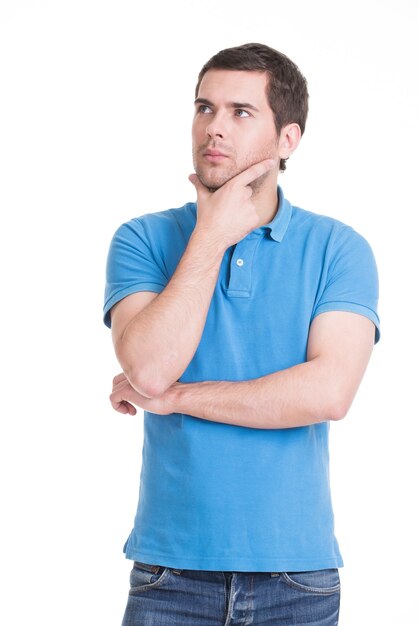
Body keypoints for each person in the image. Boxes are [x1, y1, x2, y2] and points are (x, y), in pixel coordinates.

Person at [104, 42, 380, 626]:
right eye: (204, 108)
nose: (214, 129)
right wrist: (210, 236)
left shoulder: (339, 248)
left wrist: (177, 399)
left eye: (240, 112)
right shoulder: (143, 240)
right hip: (169, 575)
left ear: (288, 140)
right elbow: (150, 369)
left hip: (296, 579)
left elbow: (328, 392)